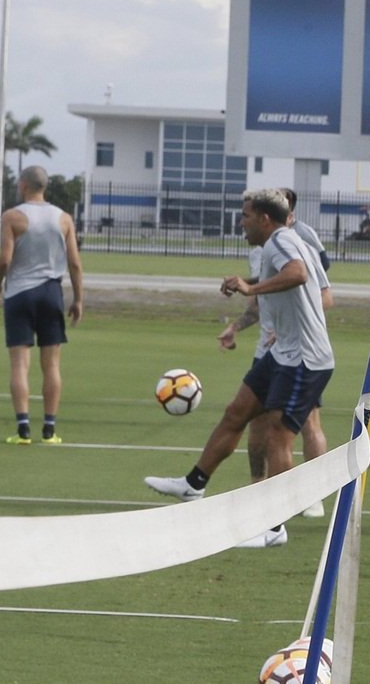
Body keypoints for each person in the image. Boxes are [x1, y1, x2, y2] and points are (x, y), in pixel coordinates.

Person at [146, 188, 334, 548]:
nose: (241, 222)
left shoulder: (281, 243)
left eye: (246, 215)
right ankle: (193, 485)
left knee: (280, 435)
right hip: (281, 353)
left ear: (264, 219)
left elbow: (297, 275)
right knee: (237, 412)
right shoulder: (278, 243)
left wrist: (250, 288)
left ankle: (275, 528)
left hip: (306, 360)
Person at [217, 203, 335, 520]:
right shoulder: (262, 247)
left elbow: (319, 293)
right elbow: (259, 300)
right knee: (257, 422)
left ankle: (310, 497)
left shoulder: (301, 242)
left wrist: (295, 327)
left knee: (306, 423)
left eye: (248, 216)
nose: (245, 222)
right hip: (270, 349)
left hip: (300, 352)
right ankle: (261, 491)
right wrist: (236, 326)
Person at [0, 165, 83, 445]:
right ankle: (49, 428)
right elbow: (75, 263)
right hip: (51, 292)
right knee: (51, 364)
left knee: (20, 364)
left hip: (20, 293)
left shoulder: (12, 216)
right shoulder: (64, 218)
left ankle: (23, 428)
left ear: (23, 185)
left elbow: (5, 259)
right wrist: (78, 298)